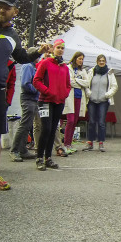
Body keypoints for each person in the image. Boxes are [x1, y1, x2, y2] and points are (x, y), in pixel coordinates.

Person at [0, 0, 49, 195]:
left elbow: (22, 57)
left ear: (14, 12)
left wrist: (38, 51)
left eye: (6, 8)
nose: (1, 10)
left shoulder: (13, 36)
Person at [33, 39, 71, 171]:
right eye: (58, 47)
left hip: (59, 102)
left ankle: (48, 158)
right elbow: (36, 81)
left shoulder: (65, 67)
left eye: (62, 48)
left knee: (53, 130)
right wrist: (47, 91)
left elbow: (68, 85)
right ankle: (39, 157)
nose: (60, 50)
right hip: (45, 101)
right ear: (53, 49)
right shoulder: (45, 63)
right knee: (46, 128)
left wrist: (64, 94)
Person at [10, 48, 40, 162]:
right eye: (37, 55)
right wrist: (37, 89)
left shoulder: (32, 67)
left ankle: (22, 150)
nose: (39, 57)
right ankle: (15, 150)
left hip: (32, 99)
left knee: (27, 125)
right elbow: (25, 84)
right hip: (28, 98)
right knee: (24, 125)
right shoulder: (28, 66)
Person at [83, 54, 118, 152]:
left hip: (103, 101)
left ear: (105, 62)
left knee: (102, 122)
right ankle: (90, 142)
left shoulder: (109, 73)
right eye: (100, 61)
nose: (101, 62)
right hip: (92, 100)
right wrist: (88, 93)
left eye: (103, 61)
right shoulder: (91, 72)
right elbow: (86, 84)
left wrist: (108, 94)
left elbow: (114, 86)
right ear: (97, 62)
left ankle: (101, 142)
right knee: (92, 122)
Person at [62, 51, 89, 153]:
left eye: (82, 59)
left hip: (79, 97)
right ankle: (65, 144)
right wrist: (80, 83)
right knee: (70, 120)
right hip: (70, 96)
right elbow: (70, 82)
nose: (81, 61)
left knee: (75, 121)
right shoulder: (68, 68)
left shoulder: (83, 71)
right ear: (75, 58)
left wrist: (77, 81)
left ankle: (70, 144)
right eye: (79, 58)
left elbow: (87, 83)